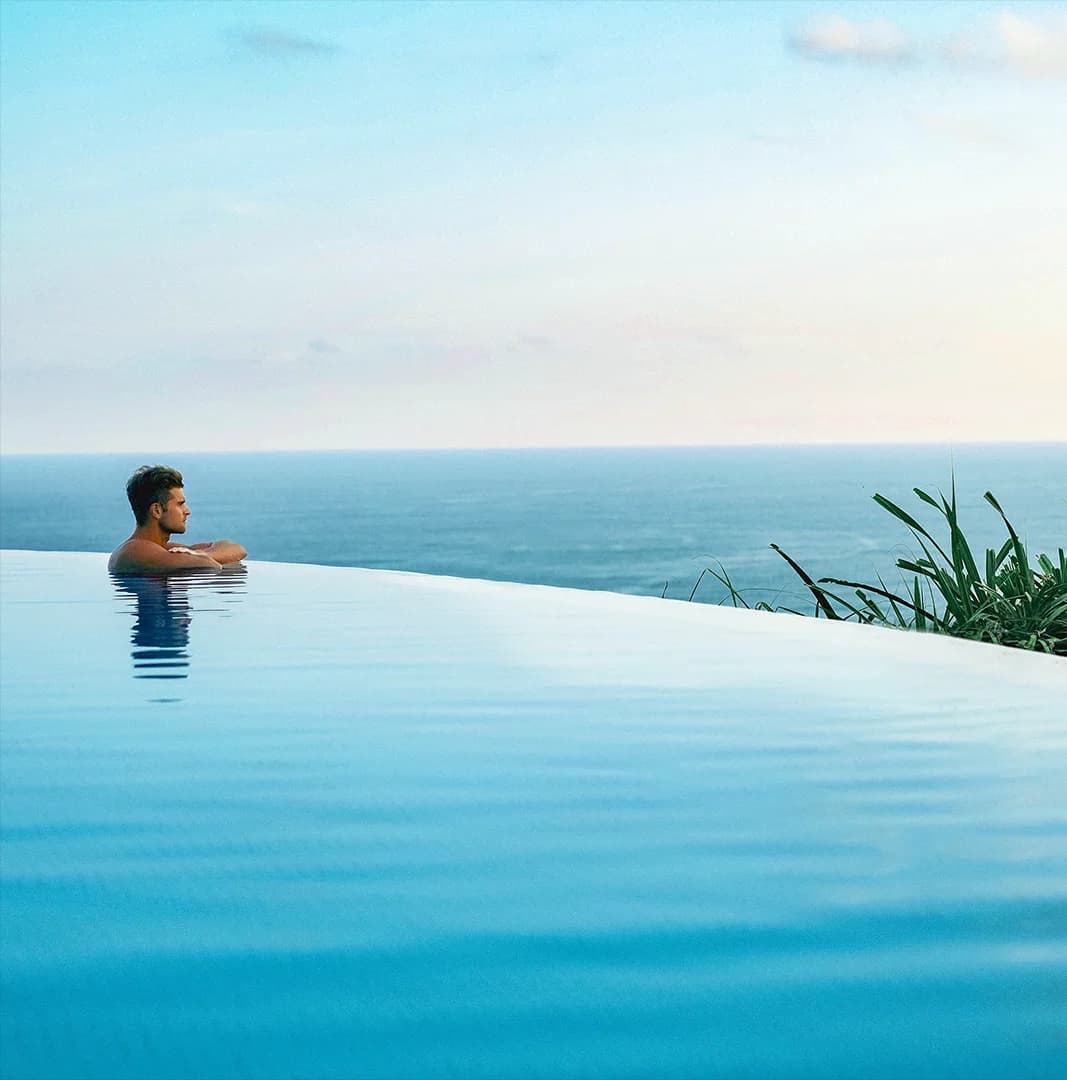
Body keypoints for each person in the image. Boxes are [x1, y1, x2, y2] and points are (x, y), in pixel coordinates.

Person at [108, 465, 247, 574]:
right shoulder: (134, 551)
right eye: (180, 504)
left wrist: (199, 553)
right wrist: (201, 557)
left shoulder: (164, 549)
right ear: (157, 510)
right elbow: (210, 565)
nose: (187, 511)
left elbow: (237, 549)